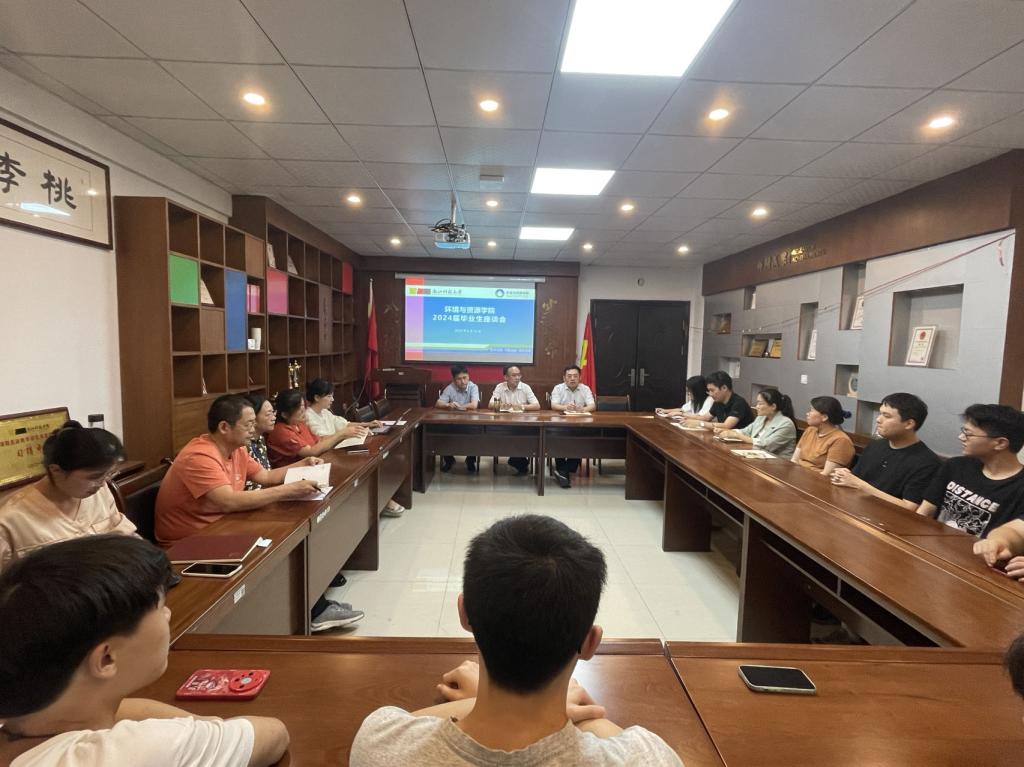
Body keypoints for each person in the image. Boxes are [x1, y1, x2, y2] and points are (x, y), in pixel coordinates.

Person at [350, 515, 683, 766]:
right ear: (590, 643)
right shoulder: (648, 758)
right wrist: (569, 714)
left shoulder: (378, 745)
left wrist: (477, 701)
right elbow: (622, 741)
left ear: (464, 614)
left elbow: (405, 724)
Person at [0, 535, 289, 767]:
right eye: (160, 607)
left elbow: (113, 707)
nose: (168, 615)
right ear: (106, 658)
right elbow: (274, 735)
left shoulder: (33, 716)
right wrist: (205, 732)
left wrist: (202, 728)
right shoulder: (134, 753)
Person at [154, 395, 360, 632]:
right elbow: (229, 502)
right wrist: (288, 490)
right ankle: (311, 610)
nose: (254, 429)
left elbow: (265, 476)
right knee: (279, 541)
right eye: (248, 424)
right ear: (224, 427)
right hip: (189, 541)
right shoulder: (200, 456)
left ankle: (313, 604)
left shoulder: (237, 448)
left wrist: (302, 465)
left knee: (290, 530)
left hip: (222, 526)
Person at [0, 421, 136, 570]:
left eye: (109, 474)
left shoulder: (99, 492)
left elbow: (124, 537)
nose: (103, 483)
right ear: (56, 470)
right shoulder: (9, 519)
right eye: (95, 477)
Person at [914, 405, 1024, 568]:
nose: (961, 437)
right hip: (931, 553)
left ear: (1000, 443)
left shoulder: (1019, 487)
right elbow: (925, 511)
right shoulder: (956, 466)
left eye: (968, 433)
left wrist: (996, 541)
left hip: (976, 567)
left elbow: (1015, 532)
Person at [302, 380, 405, 516]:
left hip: (337, 451)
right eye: (329, 396)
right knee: (365, 465)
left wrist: (368, 424)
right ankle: (379, 502)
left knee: (371, 458)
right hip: (325, 457)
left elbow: (345, 424)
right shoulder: (309, 416)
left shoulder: (325, 412)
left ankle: (382, 500)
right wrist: (344, 434)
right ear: (316, 397)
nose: (333, 399)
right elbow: (322, 440)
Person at [830, 393, 940, 510]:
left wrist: (860, 485)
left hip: (888, 517)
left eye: (886, 416)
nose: (878, 419)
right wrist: (844, 475)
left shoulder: (927, 462)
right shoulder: (876, 445)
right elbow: (855, 478)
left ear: (909, 424)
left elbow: (909, 507)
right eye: (880, 413)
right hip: (857, 507)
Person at [549, 365, 596, 489]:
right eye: (569, 376)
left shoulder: (585, 389)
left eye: (575, 376)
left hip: (580, 425)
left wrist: (582, 409)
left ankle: (562, 471)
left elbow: (592, 405)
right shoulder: (558, 388)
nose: (572, 378)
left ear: (580, 377)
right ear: (564, 378)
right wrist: (566, 407)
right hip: (560, 424)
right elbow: (554, 405)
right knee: (556, 438)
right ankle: (563, 470)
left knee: (580, 440)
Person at [718, 388, 797, 458]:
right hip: (757, 457)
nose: (756, 407)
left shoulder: (786, 424)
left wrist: (737, 435)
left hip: (778, 464)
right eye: (757, 403)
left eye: (760, 404)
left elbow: (766, 445)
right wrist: (728, 432)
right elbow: (746, 431)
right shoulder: (761, 418)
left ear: (773, 406)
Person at [489, 365, 540, 475]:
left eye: (519, 375)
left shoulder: (525, 387)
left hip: (522, 425)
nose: (517, 378)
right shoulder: (500, 387)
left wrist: (521, 406)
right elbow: (491, 404)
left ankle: (516, 460)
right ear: (506, 377)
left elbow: (537, 405)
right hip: (504, 424)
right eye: (514, 375)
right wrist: (502, 405)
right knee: (504, 435)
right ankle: (519, 461)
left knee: (521, 436)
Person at [791, 396, 855, 475]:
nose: (807, 414)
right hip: (797, 475)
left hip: (816, 480)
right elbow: (794, 460)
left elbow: (827, 474)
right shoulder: (810, 430)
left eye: (811, 411)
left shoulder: (841, 440)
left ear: (824, 417)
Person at [435, 365, 480, 473]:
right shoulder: (450, 388)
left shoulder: (473, 387)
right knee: (442, 432)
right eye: (459, 379)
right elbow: (438, 403)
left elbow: (474, 405)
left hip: (470, 422)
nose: (463, 381)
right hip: (453, 421)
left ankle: (470, 460)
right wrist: (448, 405)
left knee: (475, 433)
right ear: (454, 380)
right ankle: (449, 460)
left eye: (465, 377)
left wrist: (459, 407)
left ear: (468, 377)